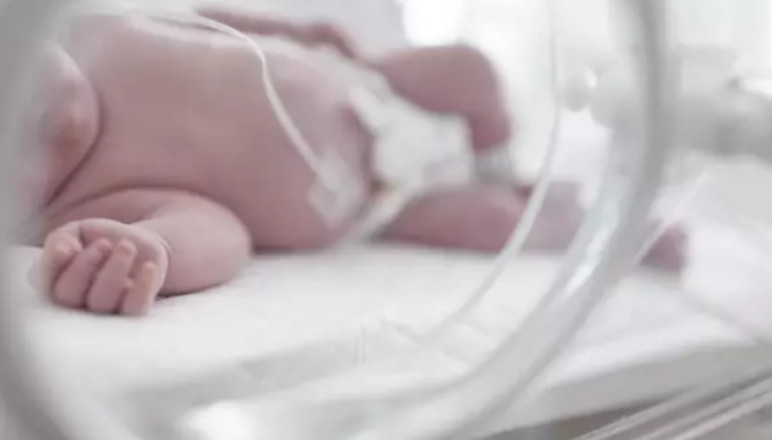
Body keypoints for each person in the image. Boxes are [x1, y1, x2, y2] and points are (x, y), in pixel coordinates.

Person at [22, 4, 686, 316]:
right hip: (378, 202)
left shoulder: (90, 27)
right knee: (492, 225)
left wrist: (290, 30)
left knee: (472, 72)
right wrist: (152, 251)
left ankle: (501, 169)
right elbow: (219, 231)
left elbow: (201, 21)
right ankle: (613, 230)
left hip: (372, 86)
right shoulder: (86, 199)